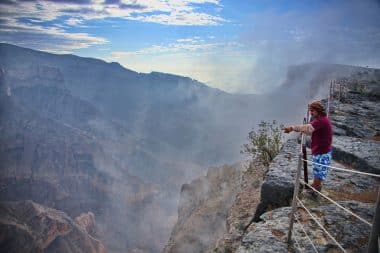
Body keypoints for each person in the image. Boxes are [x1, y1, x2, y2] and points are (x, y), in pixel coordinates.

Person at [282, 101, 333, 192]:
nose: (311, 113)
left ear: (318, 111)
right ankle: (315, 185)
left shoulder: (321, 121)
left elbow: (307, 128)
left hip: (322, 151)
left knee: (319, 171)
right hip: (322, 150)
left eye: (312, 110)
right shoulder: (322, 120)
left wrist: (292, 128)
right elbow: (310, 131)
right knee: (318, 171)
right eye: (310, 110)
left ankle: (315, 190)